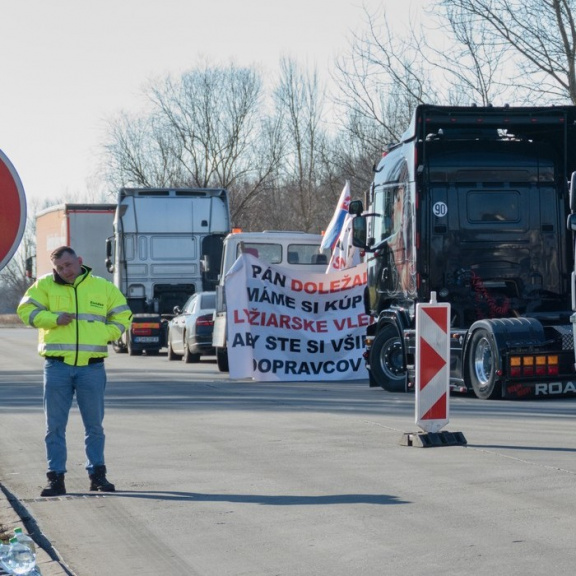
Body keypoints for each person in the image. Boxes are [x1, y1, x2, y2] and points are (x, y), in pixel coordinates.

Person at [17, 246, 132, 497]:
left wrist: (106, 333)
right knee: (54, 426)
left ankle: (97, 475)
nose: (64, 271)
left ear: (79, 261)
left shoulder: (102, 286)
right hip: (57, 366)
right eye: (59, 267)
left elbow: (123, 315)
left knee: (94, 426)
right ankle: (55, 478)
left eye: (68, 265)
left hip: (91, 367)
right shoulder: (44, 285)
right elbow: (25, 311)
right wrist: (53, 319)